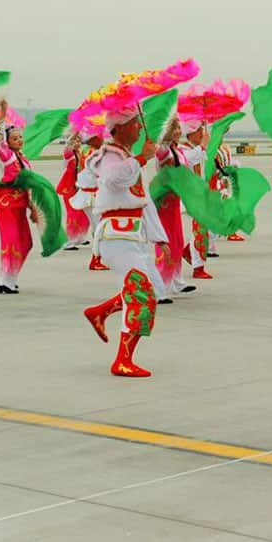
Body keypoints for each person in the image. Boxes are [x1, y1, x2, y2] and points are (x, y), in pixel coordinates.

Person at [82, 110, 169, 377]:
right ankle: (122, 360)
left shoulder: (124, 156)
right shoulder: (109, 155)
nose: (138, 129)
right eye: (133, 124)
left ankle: (100, 312)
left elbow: (144, 202)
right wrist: (143, 157)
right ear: (119, 128)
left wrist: (159, 237)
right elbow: (113, 179)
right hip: (117, 236)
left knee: (149, 290)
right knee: (140, 294)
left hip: (132, 234)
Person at [0, 115, 37, 294]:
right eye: (14, 138)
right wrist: (0, 119)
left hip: (20, 204)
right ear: (8, 142)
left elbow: (29, 185)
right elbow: (0, 141)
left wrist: (33, 208)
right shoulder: (7, 156)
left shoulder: (23, 159)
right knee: (11, 241)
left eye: (20, 137)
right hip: (6, 204)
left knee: (26, 242)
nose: (19, 140)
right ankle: (4, 280)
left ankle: (10, 277)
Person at [153, 118, 197, 295]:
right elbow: (163, 147)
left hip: (174, 202)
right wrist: (169, 129)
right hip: (164, 202)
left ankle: (176, 280)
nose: (178, 131)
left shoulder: (179, 151)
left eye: (179, 128)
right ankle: (160, 285)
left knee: (178, 241)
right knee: (165, 242)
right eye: (175, 128)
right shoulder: (164, 151)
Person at [177, 120, 213, 279]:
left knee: (205, 231)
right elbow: (190, 159)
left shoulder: (194, 149)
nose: (201, 134)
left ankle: (189, 253)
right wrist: (203, 146)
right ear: (189, 133)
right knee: (200, 230)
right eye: (198, 131)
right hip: (188, 197)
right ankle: (198, 267)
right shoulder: (183, 150)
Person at [71, 132, 109, 270]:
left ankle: (99, 257)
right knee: (99, 228)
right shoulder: (94, 154)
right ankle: (96, 259)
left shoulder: (88, 150)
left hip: (90, 195)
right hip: (92, 196)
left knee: (97, 227)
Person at [57, 133, 90, 251]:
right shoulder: (68, 155)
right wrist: (75, 133)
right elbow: (68, 146)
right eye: (74, 141)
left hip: (80, 187)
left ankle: (80, 237)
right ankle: (69, 240)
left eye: (79, 141)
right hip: (69, 188)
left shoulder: (81, 154)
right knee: (73, 213)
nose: (77, 143)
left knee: (83, 213)